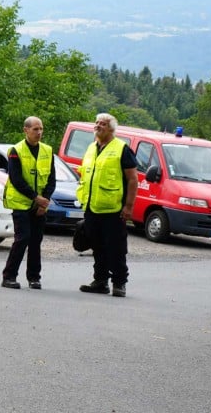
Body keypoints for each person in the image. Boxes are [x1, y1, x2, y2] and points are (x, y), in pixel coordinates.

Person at [77, 112, 138, 298]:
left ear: (111, 128)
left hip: (113, 209)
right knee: (97, 246)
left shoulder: (122, 149)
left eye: (103, 124)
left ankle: (119, 283)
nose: (98, 126)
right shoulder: (90, 148)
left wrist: (128, 206)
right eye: (96, 123)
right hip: (92, 206)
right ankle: (100, 281)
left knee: (116, 247)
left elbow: (133, 179)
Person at [1, 116, 55, 290]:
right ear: (26, 130)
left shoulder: (47, 151)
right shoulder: (16, 150)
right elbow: (16, 179)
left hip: (39, 204)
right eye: (35, 129)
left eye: (41, 129)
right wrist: (35, 197)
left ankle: (34, 277)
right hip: (21, 202)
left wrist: (43, 202)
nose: (39, 133)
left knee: (35, 241)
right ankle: (9, 276)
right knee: (22, 238)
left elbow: (51, 179)